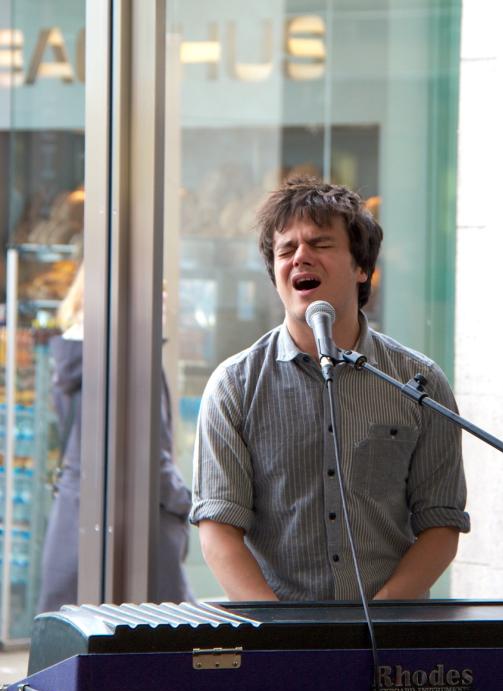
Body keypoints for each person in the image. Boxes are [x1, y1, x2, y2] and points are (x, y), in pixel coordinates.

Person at [191, 177, 470, 601]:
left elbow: (441, 522)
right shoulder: (235, 386)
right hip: (278, 642)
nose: (301, 257)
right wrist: (282, 637)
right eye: (286, 250)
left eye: (320, 244)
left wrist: (378, 623)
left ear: (362, 268)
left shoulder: (419, 382)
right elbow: (218, 530)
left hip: (389, 639)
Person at [37, 264, 193, 612]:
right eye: (157, 294)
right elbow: (151, 455)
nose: (164, 302)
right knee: (165, 646)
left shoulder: (72, 358)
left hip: (75, 518)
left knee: (71, 647)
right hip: (136, 523)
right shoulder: (130, 359)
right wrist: (184, 502)